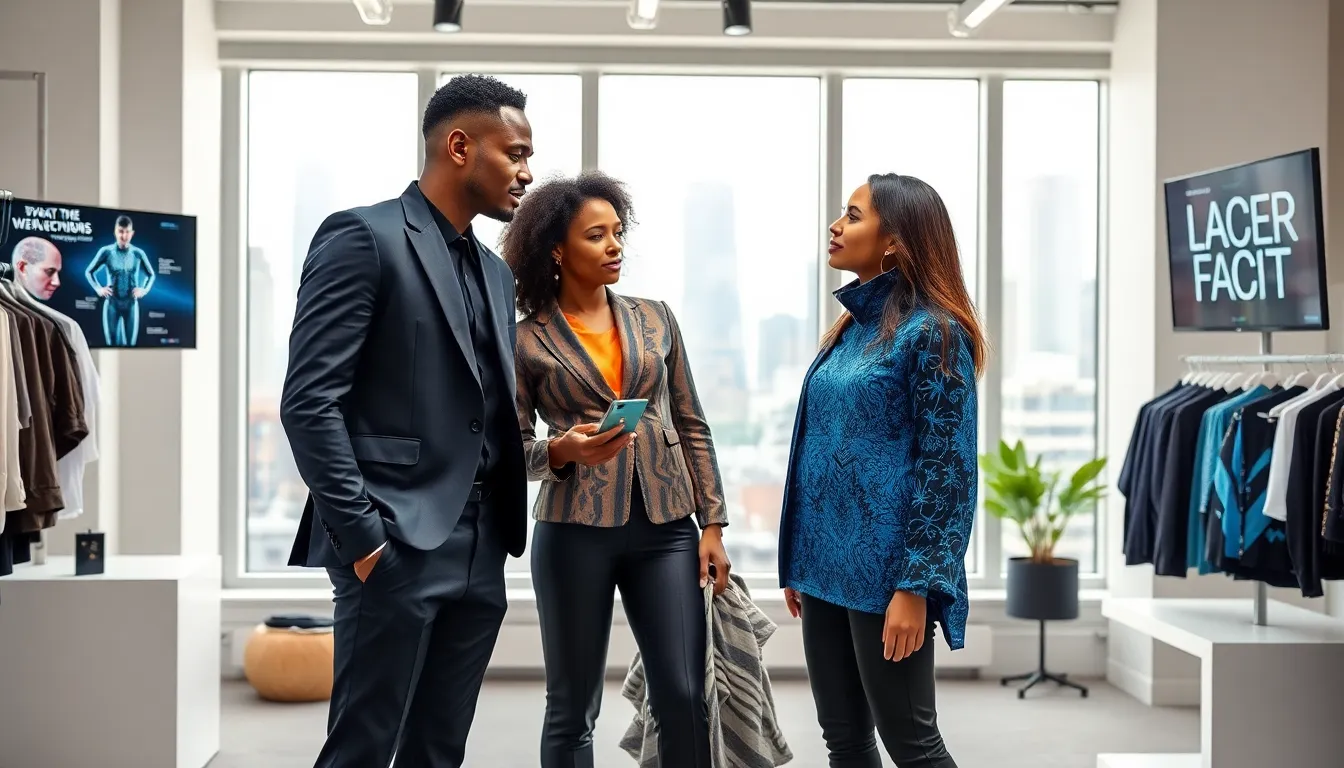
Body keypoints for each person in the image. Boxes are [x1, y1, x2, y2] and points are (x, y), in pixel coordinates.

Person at [279, 74, 534, 768]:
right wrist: (364, 541)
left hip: (484, 547)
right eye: (514, 153)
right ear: (459, 146)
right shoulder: (363, 237)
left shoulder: (494, 270)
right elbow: (308, 401)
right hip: (392, 542)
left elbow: (481, 410)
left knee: (439, 750)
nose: (527, 172)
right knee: (362, 750)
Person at [506, 171, 731, 768]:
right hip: (573, 531)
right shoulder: (526, 340)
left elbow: (691, 423)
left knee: (684, 694)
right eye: (596, 235)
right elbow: (506, 447)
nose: (615, 246)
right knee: (572, 706)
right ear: (557, 249)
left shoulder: (656, 319)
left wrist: (712, 525)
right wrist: (561, 452)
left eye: (618, 233)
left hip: (665, 529)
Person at [778, 173, 987, 768]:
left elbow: (947, 472)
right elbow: (819, 448)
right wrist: (798, 557)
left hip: (889, 573)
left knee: (913, 744)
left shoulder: (936, 332)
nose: (835, 226)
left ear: (893, 239)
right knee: (843, 740)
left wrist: (916, 587)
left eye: (853, 215)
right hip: (822, 567)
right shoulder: (850, 329)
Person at [86, 215, 156, 346]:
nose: (124, 236)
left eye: (127, 232)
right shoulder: (106, 252)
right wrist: (98, 288)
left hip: (131, 304)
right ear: (115, 232)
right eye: (121, 231)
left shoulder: (138, 253)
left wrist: (144, 290)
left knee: (131, 346)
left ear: (132, 233)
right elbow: (89, 271)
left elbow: (151, 275)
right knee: (110, 344)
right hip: (112, 304)